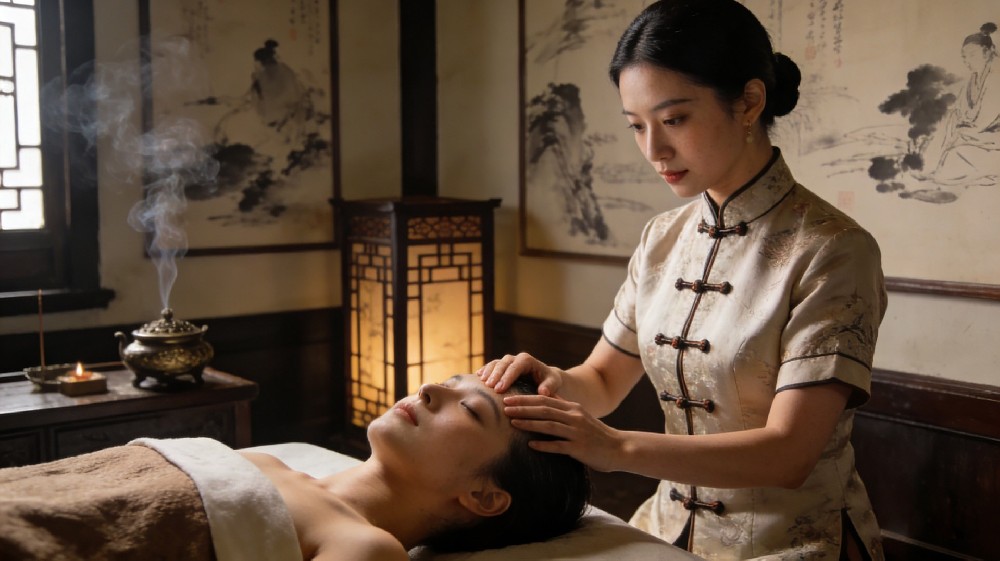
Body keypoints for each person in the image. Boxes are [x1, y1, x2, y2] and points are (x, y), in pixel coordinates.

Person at [479, 1, 887, 560]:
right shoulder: (662, 238)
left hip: (792, 542)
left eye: (674, 120)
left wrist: (616, 447)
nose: (654, 150)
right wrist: (551, 384)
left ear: (748, 102)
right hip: (666, 531)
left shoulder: (833, 249)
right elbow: (600, 379)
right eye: (636, 126)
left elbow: (789, 454)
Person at [0, 375, 590, 561]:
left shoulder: (363, 545)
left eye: (470, 407)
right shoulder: (266, 461)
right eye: (451, 378)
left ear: (486, 497)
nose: (430, 386)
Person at [917, 22, 1000, 186]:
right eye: (964, 57)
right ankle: (933, 164)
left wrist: (963, 129)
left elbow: (985, 120)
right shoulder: (974, 78)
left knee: (950, 167)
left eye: (972, 55)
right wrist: (958, 122)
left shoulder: (996, 76)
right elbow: (961, 109)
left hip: (993, 137)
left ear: (988, 52)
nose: (967, 61)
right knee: (951, 118)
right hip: (977, 135)